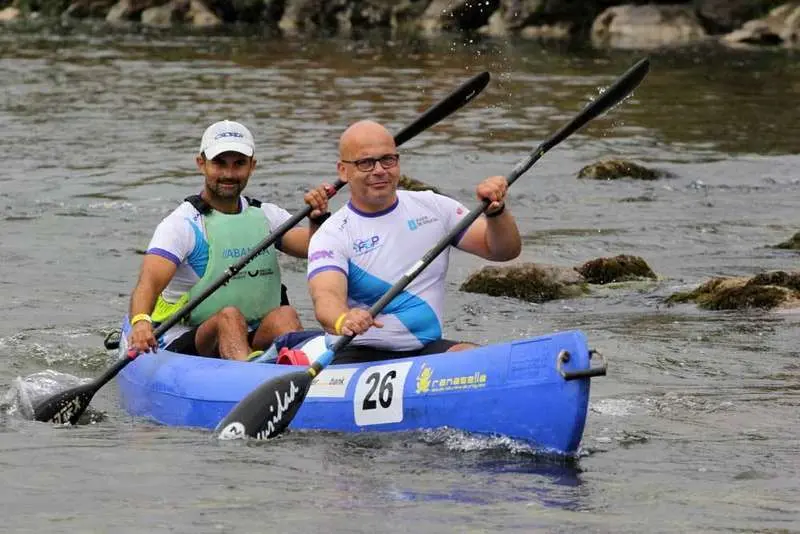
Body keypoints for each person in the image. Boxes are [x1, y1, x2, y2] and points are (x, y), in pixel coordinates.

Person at [306, 120, 522, 364]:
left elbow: (504, 251)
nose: (379, 170)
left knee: (480, 360)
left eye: (388, 159)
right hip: (359, 354)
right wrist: (343, 319)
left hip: (424, 350)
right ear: (343, 171)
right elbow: (326, 299)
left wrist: (496, 212)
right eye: (365, 163)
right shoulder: (332, 233)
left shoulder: (434, 207)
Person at [127, 120, 331, 361]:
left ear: (252, 166)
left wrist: (317, 218)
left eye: (239, 164)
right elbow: (147, 283)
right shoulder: (181, 225)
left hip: (250, 333)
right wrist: (140, 322)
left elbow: (313, 248)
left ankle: (288, 370)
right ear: (201, 164)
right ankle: (249, 374)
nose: (229, 174)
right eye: (219, 163)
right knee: (229, 317)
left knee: (284, 315)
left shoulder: (266, 215)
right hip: (184, 340)